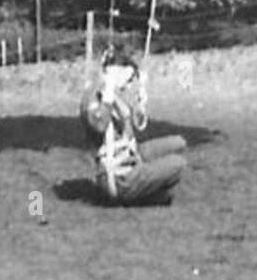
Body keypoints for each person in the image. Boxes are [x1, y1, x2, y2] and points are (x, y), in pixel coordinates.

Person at [79, 48, 186, 205]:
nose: (128, 85)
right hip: (117, 175)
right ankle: (139, 194)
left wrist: (140, 103)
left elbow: (133, 125)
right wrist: (108, 101)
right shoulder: (95, 95)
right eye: (128, 79)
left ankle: (147, 186)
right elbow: (99, 126)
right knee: (178, 164)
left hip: (129, 153)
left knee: (179, 143)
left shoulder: (113, 91)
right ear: (114, 71)